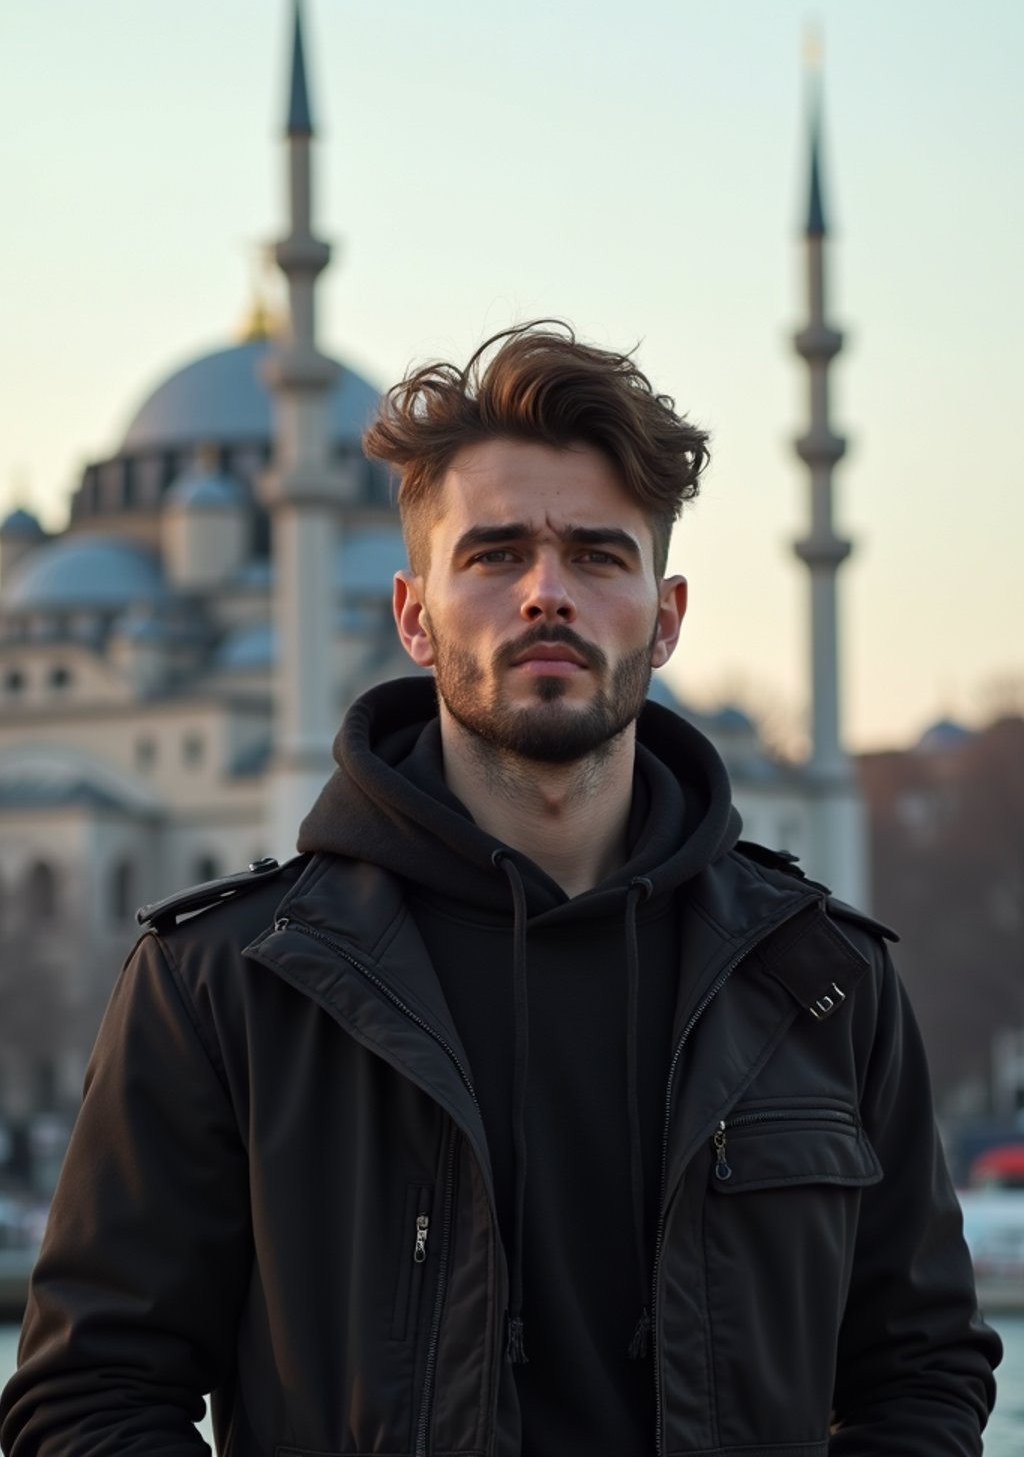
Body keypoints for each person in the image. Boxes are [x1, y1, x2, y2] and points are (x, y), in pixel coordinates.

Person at [1, 323, 1000, 1456]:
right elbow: (87, 1398)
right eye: (493, 554)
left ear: (664, 617)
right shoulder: (228, 983)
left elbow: (919, 1371)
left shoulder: (819, 983)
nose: (545, 595)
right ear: (412, 616)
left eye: (595, 554)